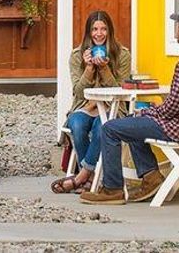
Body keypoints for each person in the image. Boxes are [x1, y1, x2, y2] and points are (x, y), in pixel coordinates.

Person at [80, 5, 179, 205]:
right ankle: (151, 178)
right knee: (133, 123)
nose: (176, 29)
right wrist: (144, 114)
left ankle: (112, 189)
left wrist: (147, 111)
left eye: (177, 25)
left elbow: (172, 109)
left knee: (110, 128)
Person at [50, 10, 131, 194]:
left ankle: (83, 176)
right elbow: (78, 92)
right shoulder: (78, 55)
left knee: (101, 127)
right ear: (89, 32)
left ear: (109, 31)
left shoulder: (122, 54)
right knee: (77, 125)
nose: (99, 33)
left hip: (112, 108)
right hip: (84, 106)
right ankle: (92, 177)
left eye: (103, 29)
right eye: (95, 29)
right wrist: (88, 68)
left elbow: (120, 90)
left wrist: (104, 69)